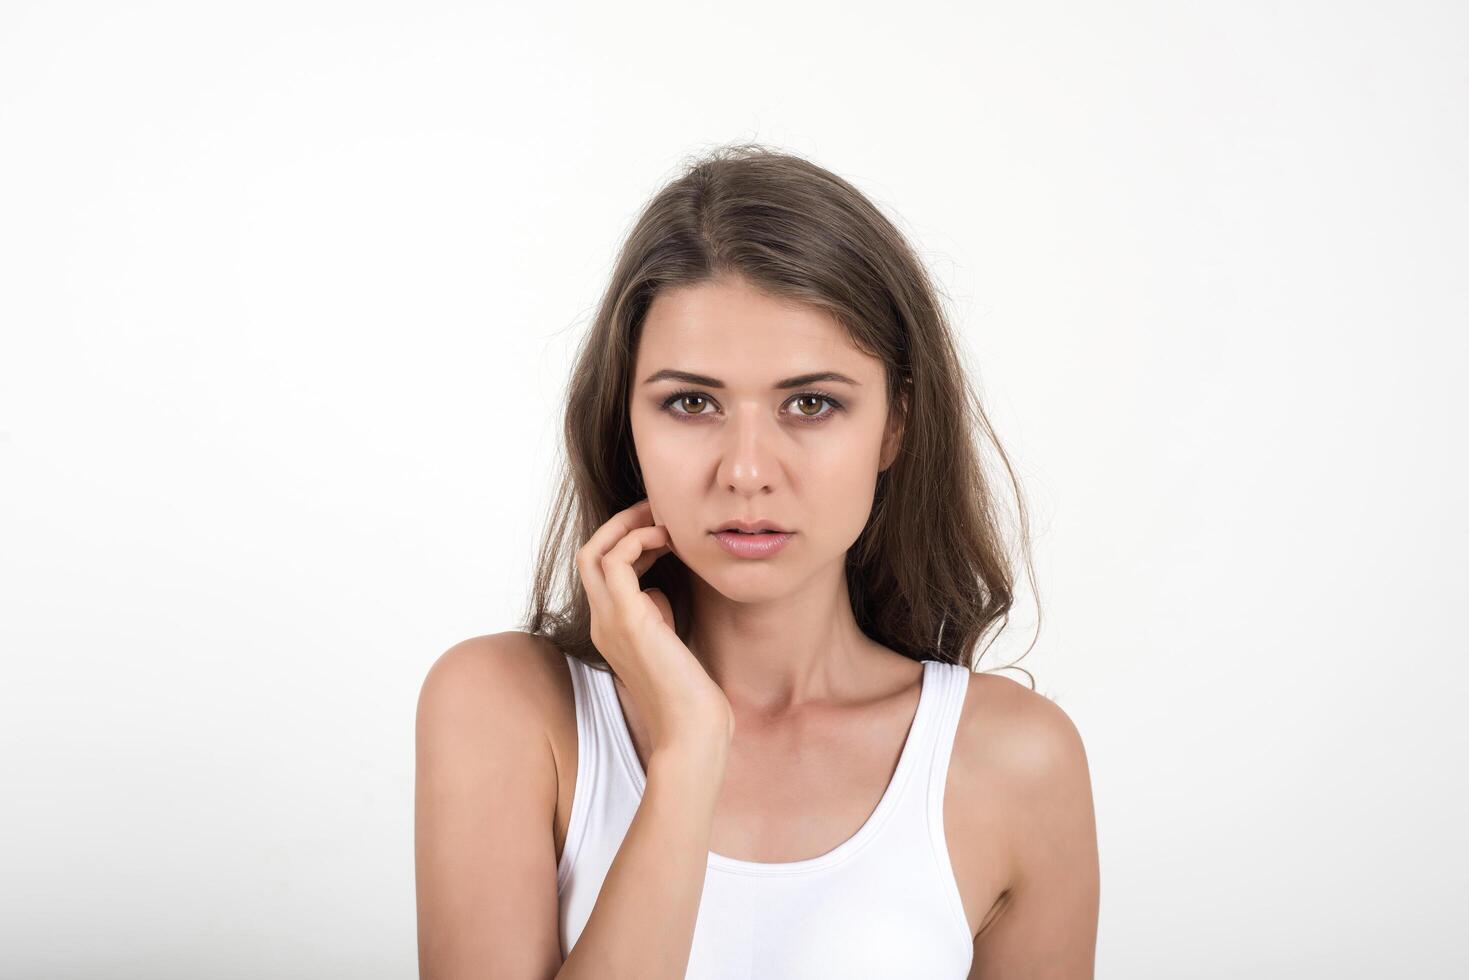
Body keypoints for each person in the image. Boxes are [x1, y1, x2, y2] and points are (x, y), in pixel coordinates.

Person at [415, 143, 1099, 979]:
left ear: (895, 426)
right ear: (625, 421)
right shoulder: (507, 708)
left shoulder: (1017, 761)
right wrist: (689, 749)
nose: (744, 470)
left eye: (811, 403)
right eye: (690, 402)